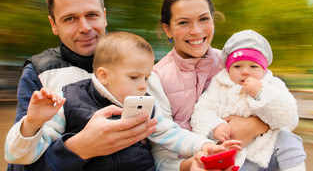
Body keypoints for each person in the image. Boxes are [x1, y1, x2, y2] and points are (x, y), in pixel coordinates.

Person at [6, 31, 242, 170]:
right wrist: (32, 124)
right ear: (104, 76)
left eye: (147, 77)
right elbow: (18, 156)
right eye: (134, 77)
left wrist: (203, 145)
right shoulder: (69, 98)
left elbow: (170, 133)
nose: (143, 84)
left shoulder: (144, 102)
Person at [5, 0, 157, 171]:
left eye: (92, 15)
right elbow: (18, 165)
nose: (85, 28)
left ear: (105, 16)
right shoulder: (39, 74)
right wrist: (79, 148)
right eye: (70, 19)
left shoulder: (141, 61)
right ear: (53, 25)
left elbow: (165, 146)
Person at [146, 0, 304, 171]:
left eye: (203, 19)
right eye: (183, 22)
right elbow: (160, 157)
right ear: (168, 29)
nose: (196, 31)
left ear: (213, 21)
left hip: (255, 156)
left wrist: (255, 125)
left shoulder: (236, 64)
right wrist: (192, 165)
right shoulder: (157, 79)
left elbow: (287, 115)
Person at [191, 30, 306, 170]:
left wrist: (261, 92)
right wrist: (215, 126)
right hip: (238, 153)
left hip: (269, 145)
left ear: (264, 69)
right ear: (228, 69)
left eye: (253, 66)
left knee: (288, 139)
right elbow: (201, 111)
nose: (245, 72)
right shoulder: (219, 85)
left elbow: (288, 116)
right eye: (237, 66)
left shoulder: (272, 84)